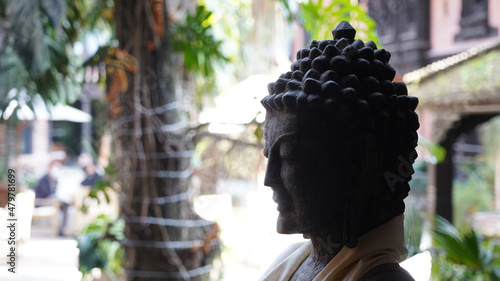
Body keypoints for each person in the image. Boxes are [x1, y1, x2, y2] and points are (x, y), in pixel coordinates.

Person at [259, 21, 419, 281]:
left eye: (288, 154)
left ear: (360, 166)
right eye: (269, 155)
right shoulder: (291, 260)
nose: (270, 179)